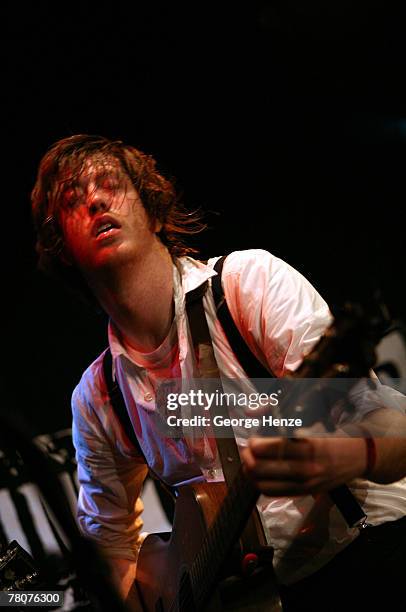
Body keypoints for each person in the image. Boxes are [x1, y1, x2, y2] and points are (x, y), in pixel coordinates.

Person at [31, 134, 406, 611]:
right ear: (61, 247)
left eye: (109, 184)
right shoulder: (99, 396)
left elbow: (391, 427)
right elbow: (109, 544)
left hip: (369, 556)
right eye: (72, 200)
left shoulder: (247, 285)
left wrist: (353, 456)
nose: (95, 200)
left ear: (155, 213)